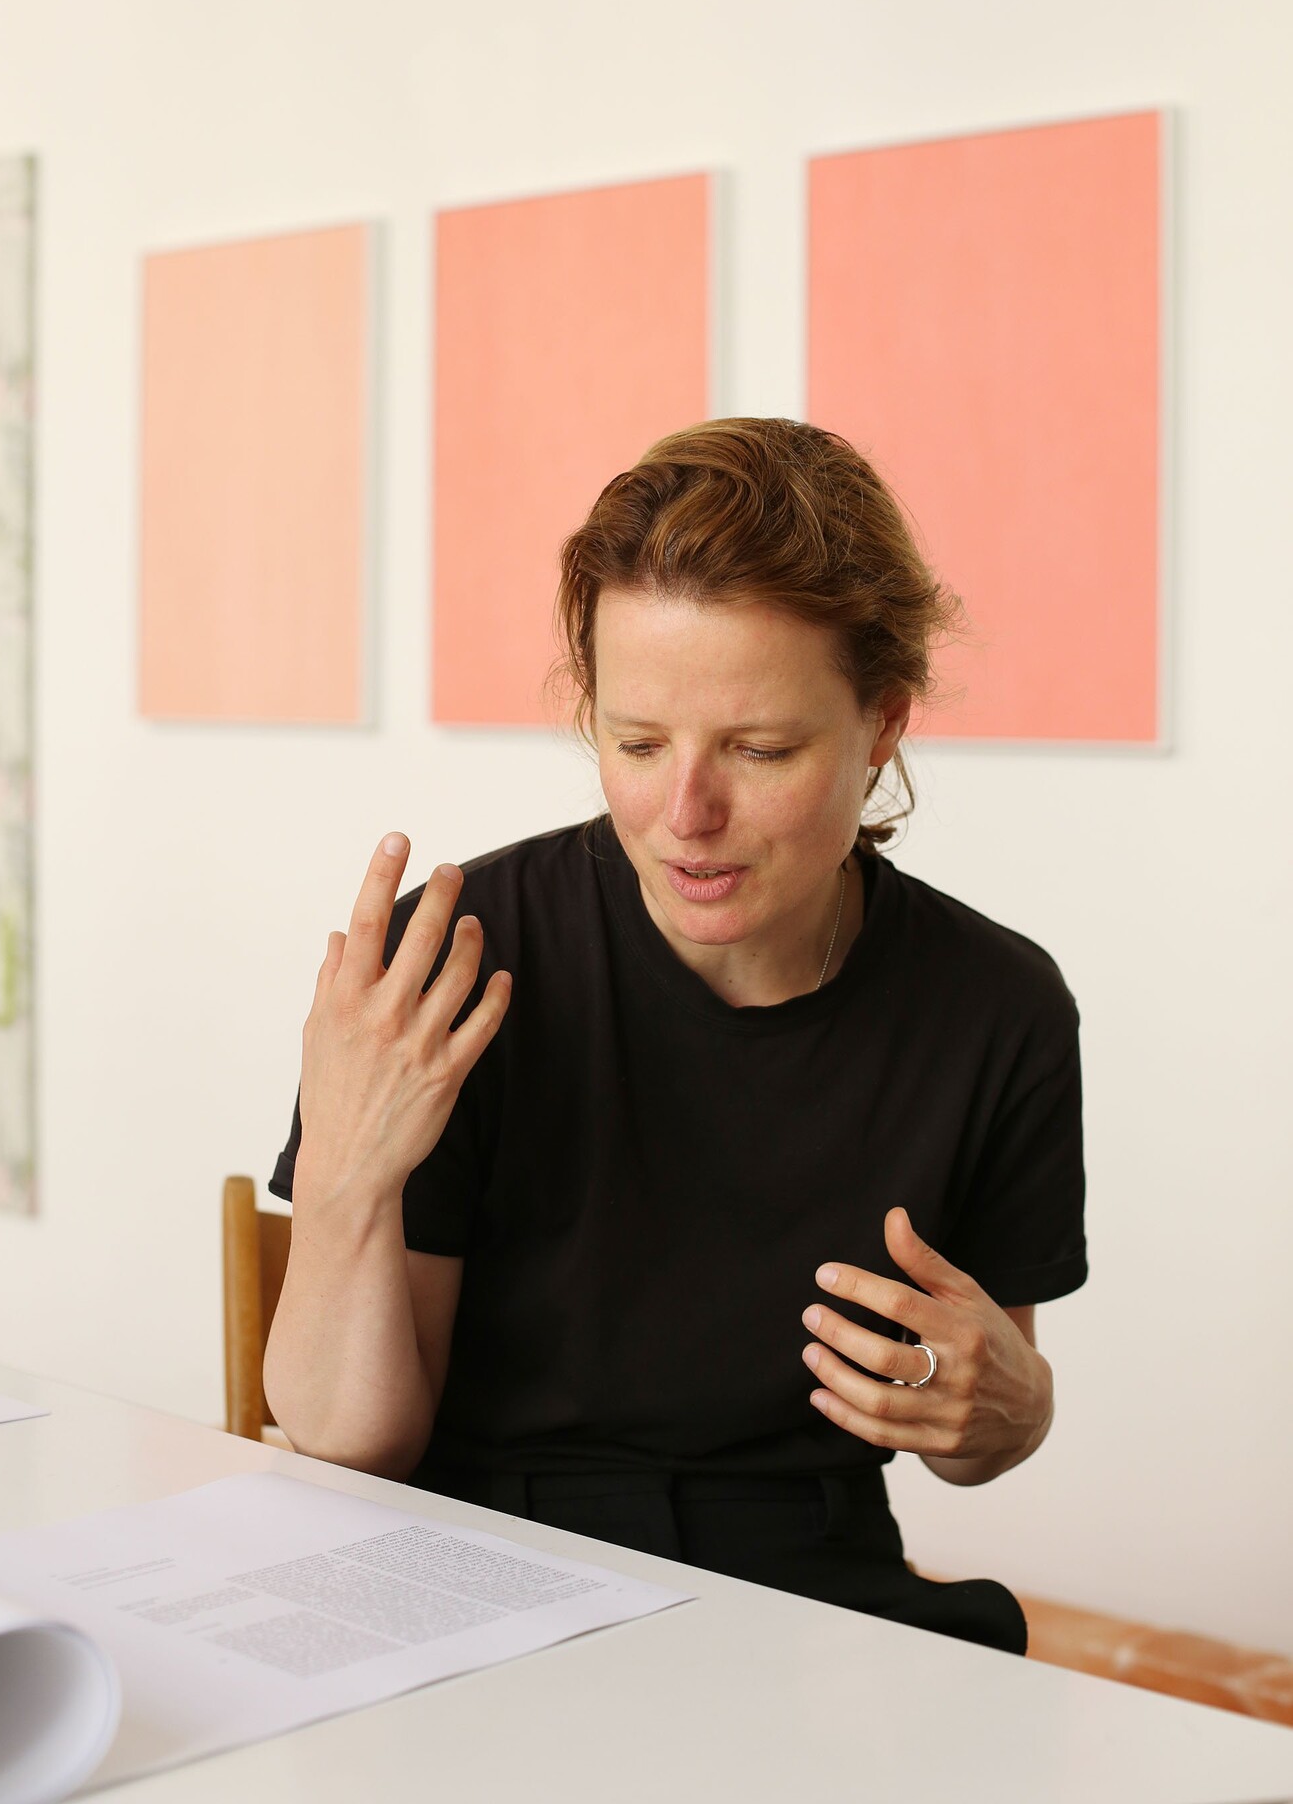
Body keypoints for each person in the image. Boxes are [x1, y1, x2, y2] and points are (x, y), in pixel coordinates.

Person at [264, 416, 1086, 1656]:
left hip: (810, 1590)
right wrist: (344, 1173)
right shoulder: (460, 963)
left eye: (760, 749)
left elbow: (973, 1425)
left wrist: (1012, 1410)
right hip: (477, 1567)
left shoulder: (995, 1005)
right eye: (638, 742)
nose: (685, 814)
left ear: (882, 723)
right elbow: (346, 1439)